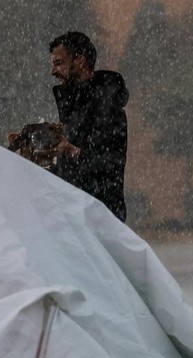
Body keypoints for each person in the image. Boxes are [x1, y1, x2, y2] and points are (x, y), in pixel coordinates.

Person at [48, 31, 129, 222]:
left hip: (99, 218)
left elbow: (109, 162)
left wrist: (72, 151)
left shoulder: (106, 105)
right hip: (79, 215)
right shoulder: (76, 105)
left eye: (58, 63)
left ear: (80, 61)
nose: (53, 71)